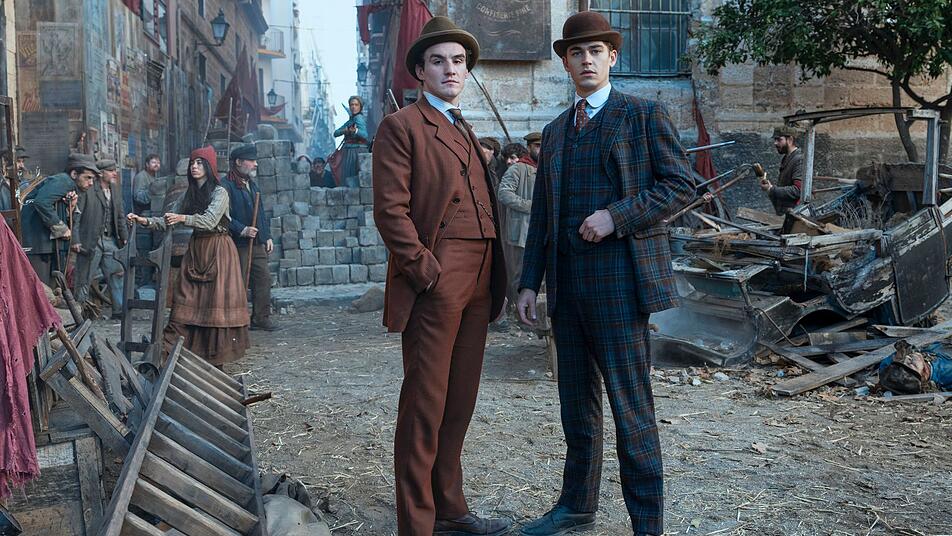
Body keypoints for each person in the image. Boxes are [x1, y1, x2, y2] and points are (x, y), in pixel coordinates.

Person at [516, 11, 695, 536]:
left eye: (595, 51)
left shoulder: (642, 115)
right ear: (566, 63)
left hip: (619, 286)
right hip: (567, 290)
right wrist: (528, 282)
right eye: (576, 52)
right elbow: (543, 216)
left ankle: (647, 523)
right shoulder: (555, 132)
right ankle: (576, 508)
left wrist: (616, 216)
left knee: (630, 409)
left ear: (612, 57)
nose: (586, 60)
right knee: (577, 409)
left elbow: (680, 186)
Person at [373, 16, 509, 536]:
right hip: (438, 276)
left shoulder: (463, 126)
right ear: (420, 71)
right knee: (425, 402)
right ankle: (418, 524)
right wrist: (425, 271)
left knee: (459, 400)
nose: (450, 69)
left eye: (458, 61)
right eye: (438, 61)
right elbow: (390, 212)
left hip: (481, 278)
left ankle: (450, 508)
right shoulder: (402, 126)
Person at [127, 146, 250, 366]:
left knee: (214, 308)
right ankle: (162, 358)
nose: (194, 167)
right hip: (196, 251)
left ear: (209, 167)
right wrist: (144, 221)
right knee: (184, 303)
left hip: (219, 251)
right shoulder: (189, 194)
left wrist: (183, 218)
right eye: (193, 163)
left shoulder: (220, 193)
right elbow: (168, 219)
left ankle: (214, 363)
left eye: (200, 163)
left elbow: (209, 221)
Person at [223, 143, 278, 332]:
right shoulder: (225, 186)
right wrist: (242, 229)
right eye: (251, 160)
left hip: (256, 243)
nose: (256, 164)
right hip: (237, 244)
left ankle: (261, 318)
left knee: (263, 279)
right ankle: (236, 320)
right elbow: (223, 217)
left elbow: (260, 213)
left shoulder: (252, 185)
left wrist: (267, 236)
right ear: (238, 162)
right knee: (237, 283)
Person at [21, 153, 98, 287]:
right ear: (74, 174)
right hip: (38, 244)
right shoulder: (63, 181)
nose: (91, 183)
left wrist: (70, 207)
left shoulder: (69, 186)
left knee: (50, 289)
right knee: (41, 289)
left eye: (93, 179)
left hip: (45, 245)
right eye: (88, 178)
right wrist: (61, 228)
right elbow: (41, 202)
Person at [72, 159, 128, 319]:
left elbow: (120, 215)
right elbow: (77, 216)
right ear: (101, 173)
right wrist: (75, 239)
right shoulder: (89, 189)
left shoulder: (115, 190)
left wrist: (124, 237)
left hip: (110, 240)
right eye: (111, 171)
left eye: (114, 170)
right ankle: (78, 313)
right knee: (84, 277)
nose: (114, 173)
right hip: (91, 241)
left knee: (116, 274)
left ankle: (119, 311)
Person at [497, 132, 541, 308]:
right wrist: (529, 205)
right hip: (522, 231)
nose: (540, 149)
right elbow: (504, 193)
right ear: (529, 147)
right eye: (537, 146)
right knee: (520, 275)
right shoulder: (518, 168)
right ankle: (519, 311)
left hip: (541, 231)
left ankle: (536, 314)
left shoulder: (545, 167)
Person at [759, 126, 803, 215]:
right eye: (775, 140)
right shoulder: (787, 158)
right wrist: (770, 188)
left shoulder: (799, 159)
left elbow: (798, 190)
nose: (775, 143)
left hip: (795, 214)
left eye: (779, 140)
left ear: (790, 140)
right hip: (785, 214)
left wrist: (772, 189)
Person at [333, 96, 370, 187]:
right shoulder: (351, 121)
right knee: (349, 179)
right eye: (351, 105)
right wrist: (344, 131)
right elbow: (336, 133)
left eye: (356, 105)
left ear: (360, 107)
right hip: (349, 152)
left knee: (352, 179)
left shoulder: (358, 118)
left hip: (356, 152)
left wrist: (355, 131)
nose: (353, 107)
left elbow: (365, 135)